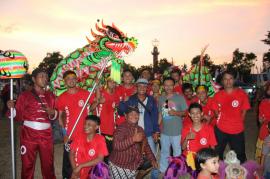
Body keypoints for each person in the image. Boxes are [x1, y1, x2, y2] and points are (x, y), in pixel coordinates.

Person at [7, 68, 57, 179]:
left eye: (46, 76)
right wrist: (11, 108)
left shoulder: (51, 96)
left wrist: (53, 113)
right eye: (41, 76)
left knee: (48, 165)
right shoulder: (24, 95)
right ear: (34, 79)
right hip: (28, 135)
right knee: (27, 165)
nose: (45, 79)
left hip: (46, 135)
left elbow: (55, 116)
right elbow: (17, 115)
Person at [55, 70, 98, 179]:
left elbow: (93, 106)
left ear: (76, 80)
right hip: (70, 135)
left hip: (85, 133)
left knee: (86, 159)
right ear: (65, 82)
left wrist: (97, 88)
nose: (71, 80)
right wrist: (64, 134)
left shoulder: (84, 93)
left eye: (73, 78)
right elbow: (60, 118)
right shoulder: (62, 98)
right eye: (68, 79)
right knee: (69, 162)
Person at [118, 78, 160, 178]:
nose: (142, 88)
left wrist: (156, 131)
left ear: (147, 88)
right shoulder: (131, 99)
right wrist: (123, 102)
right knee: (131, 157)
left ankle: (154, 176)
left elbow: (154, 116)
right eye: (140, 86)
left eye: (144, 86)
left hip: (148, 133)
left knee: (152, 157)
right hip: (133, 133)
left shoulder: (151, 100)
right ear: (136, 87)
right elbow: (121, 112)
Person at [109, 106, 158, 178]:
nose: (134, 116)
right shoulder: (121, 129)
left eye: (136, 114)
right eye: (131, 114)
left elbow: (146, 146)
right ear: (126, 116)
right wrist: (133, 139)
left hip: (133, 164)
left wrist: (153, 159)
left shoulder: (140, 129)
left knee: (149, 164)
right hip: (118, 165)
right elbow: (116, 146)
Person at [212, 70, 250, 163]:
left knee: (240, 154)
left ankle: (241, 173)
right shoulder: (217, 95)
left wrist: (239, 123)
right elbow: (216, 111)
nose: (228, 81)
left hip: (237, 130)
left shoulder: (241, 94)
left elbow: (244, 111)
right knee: (217, 153)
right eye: (225, 79)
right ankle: (218, 172)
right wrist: (221, 121)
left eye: (230, 78)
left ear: (234, 80)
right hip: (221, 129)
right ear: (222, 81)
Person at [158, 77, 187, 174]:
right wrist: (158, 128)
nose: (168, 87)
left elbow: (185, 113)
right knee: (164, 152)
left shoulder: (179, 97)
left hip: (177, 131)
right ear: (163, 86)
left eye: (170, 85)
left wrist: (176, 113)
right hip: (164, 131)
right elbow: (160, 114)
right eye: (166, 85)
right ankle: (163, 170)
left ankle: (177, 171)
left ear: (174, 86)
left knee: (177, 152)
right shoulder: (161, 98)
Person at [69, 115, 108, 179]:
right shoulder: (79, 136)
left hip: (92, 172)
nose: (85, 126)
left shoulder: (100, 139)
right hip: (77, 169)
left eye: (89, 124)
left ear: (96, 127)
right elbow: (71, 153)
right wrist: (75, 170)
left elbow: (100, 159)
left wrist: (81, 166)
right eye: (85, 124)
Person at [181, 103, 217, 170]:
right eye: (193, 113)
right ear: (189, 114)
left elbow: (212, 147)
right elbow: (183, 148)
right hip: (190, 158)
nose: (195, 115)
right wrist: (187, 138)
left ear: (202, 113)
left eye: (198, 113)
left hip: (203, 157)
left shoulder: (209, 128)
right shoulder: (186, 128)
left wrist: (212, 161)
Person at [96, 77, 120, 162]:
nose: (112, 84)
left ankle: (107, 172)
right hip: (100, 128)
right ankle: (99, 173)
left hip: (111, 128)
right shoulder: (101, 92)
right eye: (110, 82)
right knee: (100, 154)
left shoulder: (116, 94)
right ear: (107, 82)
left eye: (114, 82)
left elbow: (116, 109)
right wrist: (98, 101)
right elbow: (92, 107)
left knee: (109, 154)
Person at [255, 83, 270, 163]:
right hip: (265, 132)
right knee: (262, 158)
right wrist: (261, 120)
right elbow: (260, 120)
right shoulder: (263, 103)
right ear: (267, 91)